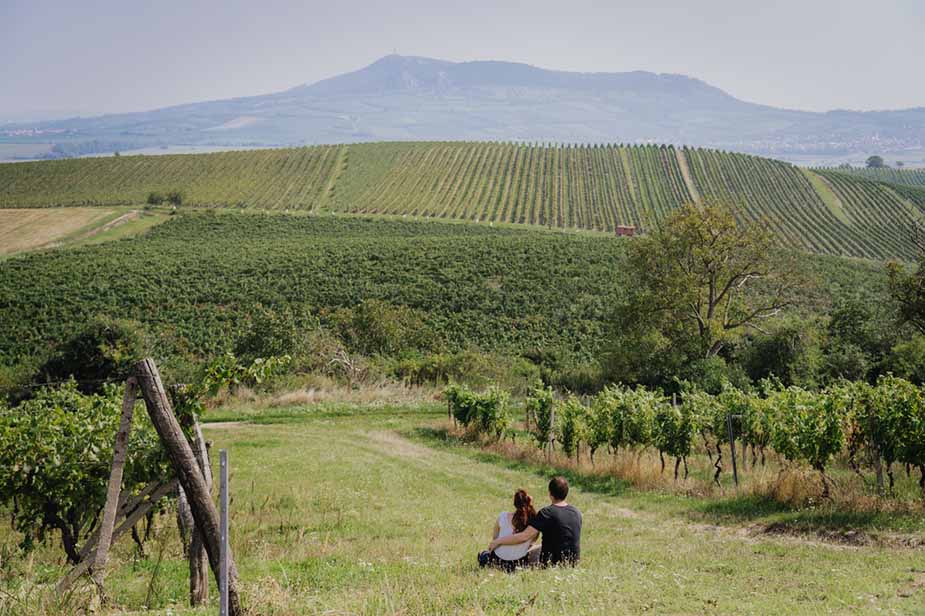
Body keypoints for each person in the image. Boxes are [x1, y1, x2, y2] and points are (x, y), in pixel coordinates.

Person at [487, 476, 581, 567]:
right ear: (566, 493)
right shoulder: (577, 512)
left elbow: (524, 537)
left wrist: (497, 542)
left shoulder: (547, 513)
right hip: (573, 563)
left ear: (550, 493)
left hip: (551, 563)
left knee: (531, 551)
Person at [477, 489, 538, 571]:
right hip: (519, 562)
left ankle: (485, 558)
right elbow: (532, 543)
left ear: (515, 504)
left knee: (484, 554)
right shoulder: (535, 522)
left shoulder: (503, 516)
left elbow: (495, 538)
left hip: (498, 559)